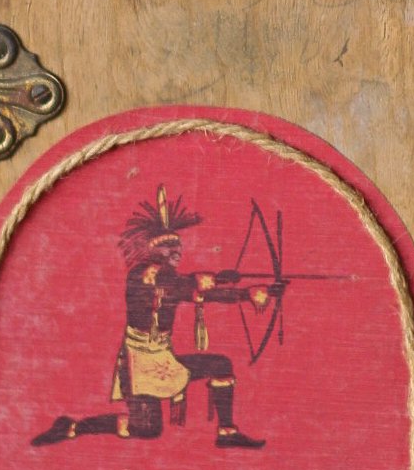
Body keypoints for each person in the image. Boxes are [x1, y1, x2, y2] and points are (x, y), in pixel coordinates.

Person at [32, 189, 271, 449]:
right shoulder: (144, 275)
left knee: (220, 365)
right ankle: (72, 427)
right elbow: (185, 287)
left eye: (177, 245)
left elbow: (191, 288)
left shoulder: (168, 277)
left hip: (161, 356)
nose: (177, 251)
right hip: (138, 364)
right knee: (145, 428)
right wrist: (242, 293)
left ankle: (226, 432)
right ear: (154, 250)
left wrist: (234, 287)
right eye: (169, 247)